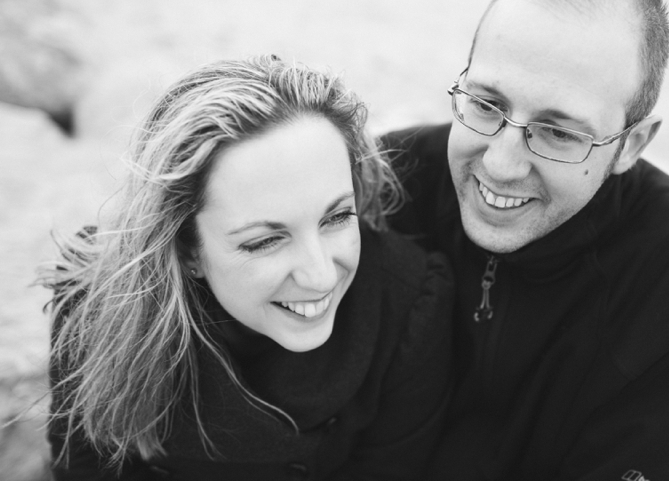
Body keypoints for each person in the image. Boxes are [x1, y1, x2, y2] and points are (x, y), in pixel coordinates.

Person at [384, 0, 669, 479]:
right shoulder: (390, 182)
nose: (500, 165)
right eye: (486, 104)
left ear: (631, 145)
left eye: (558, 132)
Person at [41, 55, 454, 480]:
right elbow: (87, 465)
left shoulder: (408, 306)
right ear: (185, 248)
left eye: (336, 218)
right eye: (265, 241)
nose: (322, 276)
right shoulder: (100, 299)